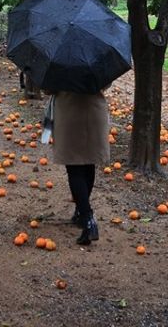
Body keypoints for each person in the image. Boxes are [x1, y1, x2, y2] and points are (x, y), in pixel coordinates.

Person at [49, 88, 113, 245]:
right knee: (88, 163)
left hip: (69, 112)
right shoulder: (98, 63)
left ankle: (88, 219)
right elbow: (106, 82)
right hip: (94, 111)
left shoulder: (60, 65)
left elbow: (47, 88)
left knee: (75, 167)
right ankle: (80, 212)